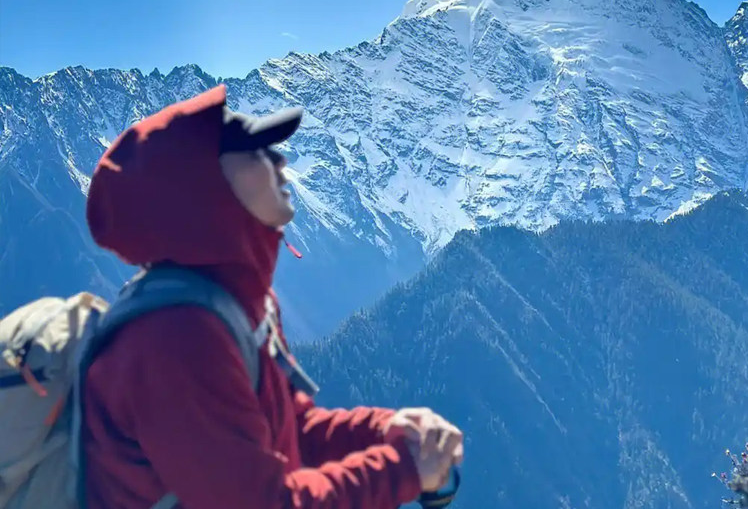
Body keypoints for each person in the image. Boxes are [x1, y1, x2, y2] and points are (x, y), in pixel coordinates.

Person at [82, 84, 464, 509]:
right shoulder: (177, 340)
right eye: (256, 154)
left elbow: (289, 431)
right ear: (206, 188)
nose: (281, 162)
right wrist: (403, 469)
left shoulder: (240, 303)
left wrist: (386, 428)